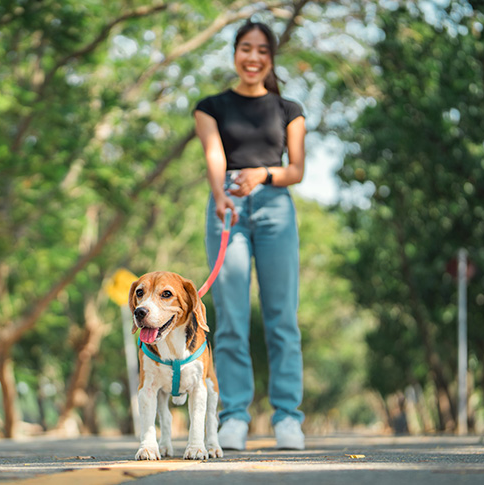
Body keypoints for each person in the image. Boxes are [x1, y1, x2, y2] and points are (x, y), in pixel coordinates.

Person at [193, 20, 307, 451]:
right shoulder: (211, 106)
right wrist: (220, 194)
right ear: (234, 54)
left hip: (275, 204)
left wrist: (264, 174)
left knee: (283, 318)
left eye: (262, 50)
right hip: (228, 209)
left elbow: (296, 170)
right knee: (232, 319)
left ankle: (288, 418)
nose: (253, 57)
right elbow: (213, 153)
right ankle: (234, 416)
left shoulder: (289, 109)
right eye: (245, 48)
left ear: (271, 57)